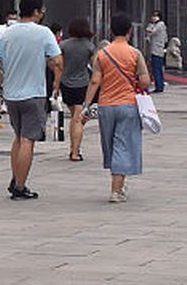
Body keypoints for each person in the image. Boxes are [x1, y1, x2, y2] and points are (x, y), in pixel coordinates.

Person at [0, 0, 61, 199]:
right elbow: (58, 61)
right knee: (28, 140)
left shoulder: (7, 33)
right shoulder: (44, 32)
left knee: (19, 138)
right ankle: (20, 187)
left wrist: (1, 81)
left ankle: (15, 178)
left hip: (11, 95)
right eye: (42, 10)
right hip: (34, 94)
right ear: (36, 11)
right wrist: (56, 84)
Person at [89, 12, 148, 203]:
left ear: (111, 30)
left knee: (111, 145)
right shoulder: (135, 53)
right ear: (129, 31)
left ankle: (119, 184)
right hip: (128, 104)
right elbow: (145, 81)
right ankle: (116, 190)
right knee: (123, 145)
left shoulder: (102, 54)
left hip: (106, 105)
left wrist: (86, 104)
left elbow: (95, 81)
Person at [57, 19, 96, 163]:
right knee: (78, 119)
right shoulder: (89, 46)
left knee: (75, 116)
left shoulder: (63, 45)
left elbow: (58, 65)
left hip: (65, 84)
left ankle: (73, 147)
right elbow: (95, 67)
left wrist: (56, 85)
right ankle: (75, 152)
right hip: (82, 84)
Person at [144, 11, 169, 94]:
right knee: (157, 68)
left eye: (156, 16)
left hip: (157, 49)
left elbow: (151, 31)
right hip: (156, 49)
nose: (153, 18)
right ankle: (159, 85)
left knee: (156, 69)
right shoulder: (158, 25)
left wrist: (149, 27)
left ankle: (159, 86)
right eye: (153, 16)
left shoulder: (160, 25)